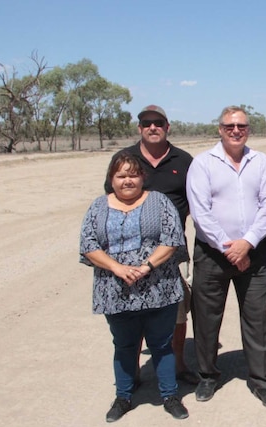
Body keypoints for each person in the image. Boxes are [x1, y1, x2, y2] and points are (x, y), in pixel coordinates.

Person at [80, 152, 190, 422]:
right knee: (124, 345)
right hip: (115, 289)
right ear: (111, 179)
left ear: (143, 177)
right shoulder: (97, 206)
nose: (127, 180)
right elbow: (88, 245)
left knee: (162, 344)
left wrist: (145, 267)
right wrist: (117, 268)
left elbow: (172, 238)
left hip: (159, 286)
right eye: (121, 175)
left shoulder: (160, 202)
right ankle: (123, 396)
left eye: (132, 174)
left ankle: (170, 395)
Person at [186, 106, 266, 410]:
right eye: (230, 126)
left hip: (254, 255)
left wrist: (248, 243)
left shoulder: (261, 162)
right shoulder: (203, 164)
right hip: (212, 255)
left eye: (241, 125)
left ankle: (263, 382)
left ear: (248, 129)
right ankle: (208, 376)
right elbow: (200, 212)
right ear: (220, 129)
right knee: (206, 318)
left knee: (257, 320)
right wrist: (230, 248)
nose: (236, 130)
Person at [105, 104, 198, 386]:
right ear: (139, 128)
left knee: (177, 308)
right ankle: (131, 370)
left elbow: (198, 203)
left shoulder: (183, 161)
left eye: (158, 122)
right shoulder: (125, 159)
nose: (152, 127)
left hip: (173, 249)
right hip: (128, 250)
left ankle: (179, 363)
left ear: (168, 127)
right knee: (131, 309)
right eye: (147, 123)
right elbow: (110, 201)